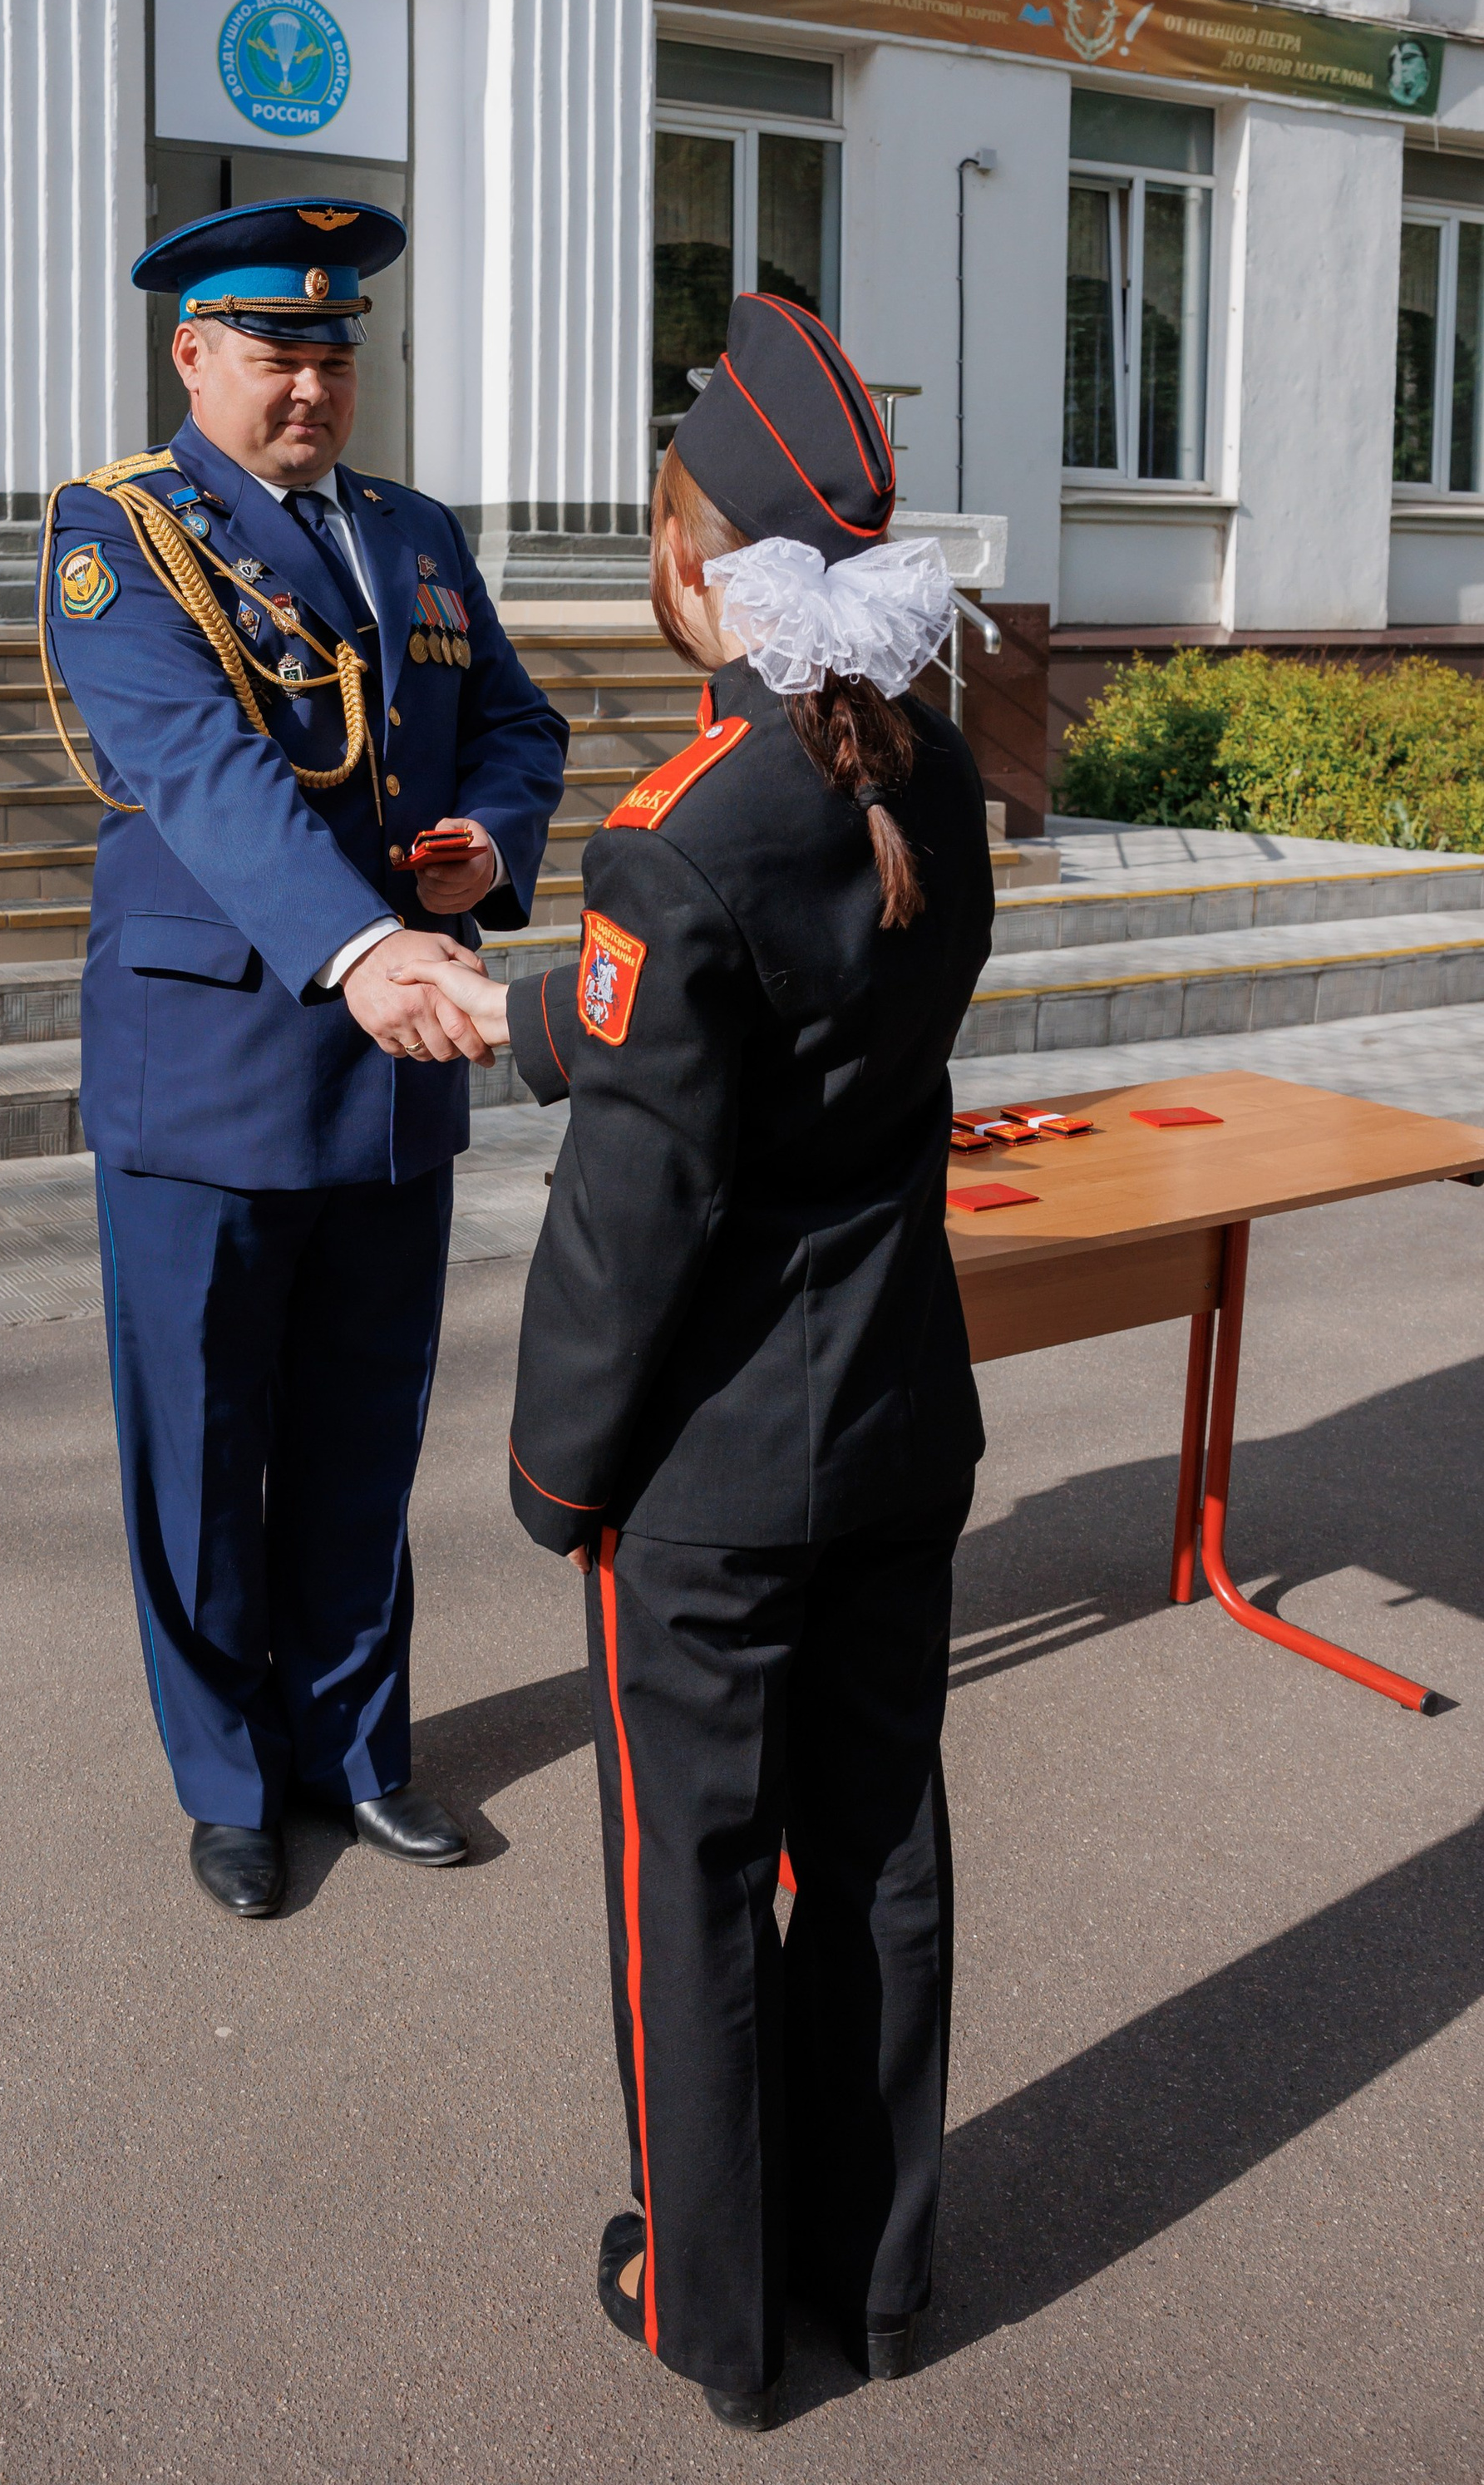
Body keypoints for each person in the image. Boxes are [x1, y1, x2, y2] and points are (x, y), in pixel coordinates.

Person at [435, 293, 995, 2428]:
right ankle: (866, 2283)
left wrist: (555, 1466)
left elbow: (642, 1203)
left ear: (697, 558)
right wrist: (538, 1016)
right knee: (875, 1852)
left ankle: (710, 2316)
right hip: (893, 1419)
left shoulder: (680, 822)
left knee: (688, 1880)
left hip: (712, 1468)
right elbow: (785, 1032)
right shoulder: (925, 765)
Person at [39, 197, 569, 1921]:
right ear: (190, 354)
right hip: (209, 1070)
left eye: (335, 359)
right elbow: (200, 765)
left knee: (359, 1437)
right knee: (200, 1451)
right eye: (277, 358)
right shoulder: (119, 537)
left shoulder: (411, 531)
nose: (312, 391)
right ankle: (228, 1782)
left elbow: (510, 717)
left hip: (389, 1064)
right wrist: (360, 946)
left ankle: (356, 1754)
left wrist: (487, 842)